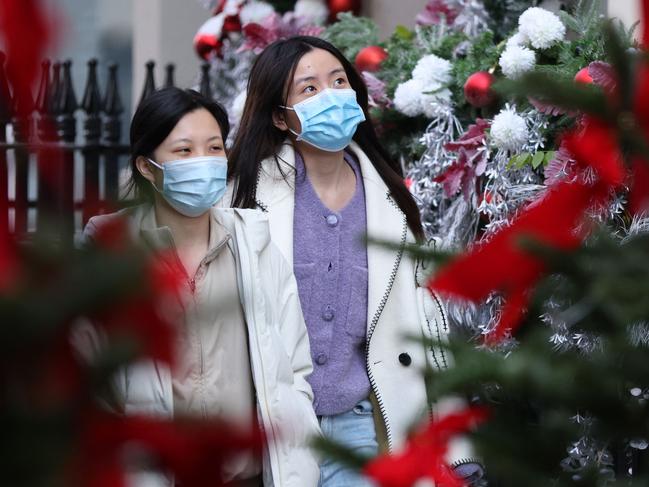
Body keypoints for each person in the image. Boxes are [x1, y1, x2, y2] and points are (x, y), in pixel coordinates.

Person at [224, 36, 483, 486]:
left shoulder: (391, 202)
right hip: (270, 428)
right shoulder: (245, 199)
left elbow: (427, 330)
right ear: (278, 117)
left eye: (339, 81)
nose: (331, 96)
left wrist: (459, 450)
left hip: (360, 428)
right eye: (309, 89)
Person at [82, 87, 321, 487]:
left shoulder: (256, 246)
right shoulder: (110, 257)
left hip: (250, 477)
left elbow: (294, 369)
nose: (204, 163)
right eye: (183, 151)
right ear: (146, 167)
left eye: (214, 148)